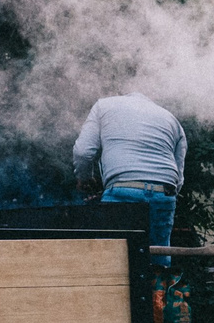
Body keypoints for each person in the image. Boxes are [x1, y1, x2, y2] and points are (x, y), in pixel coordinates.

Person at [73, 92, 189, 249]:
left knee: (115, 255)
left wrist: (84, 178)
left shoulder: (103, 106)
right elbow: (179, 179)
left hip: (121, 192)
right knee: (157, 255)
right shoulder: (171, 119)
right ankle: (159, 271)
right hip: (163, 194)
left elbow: (83, 152)